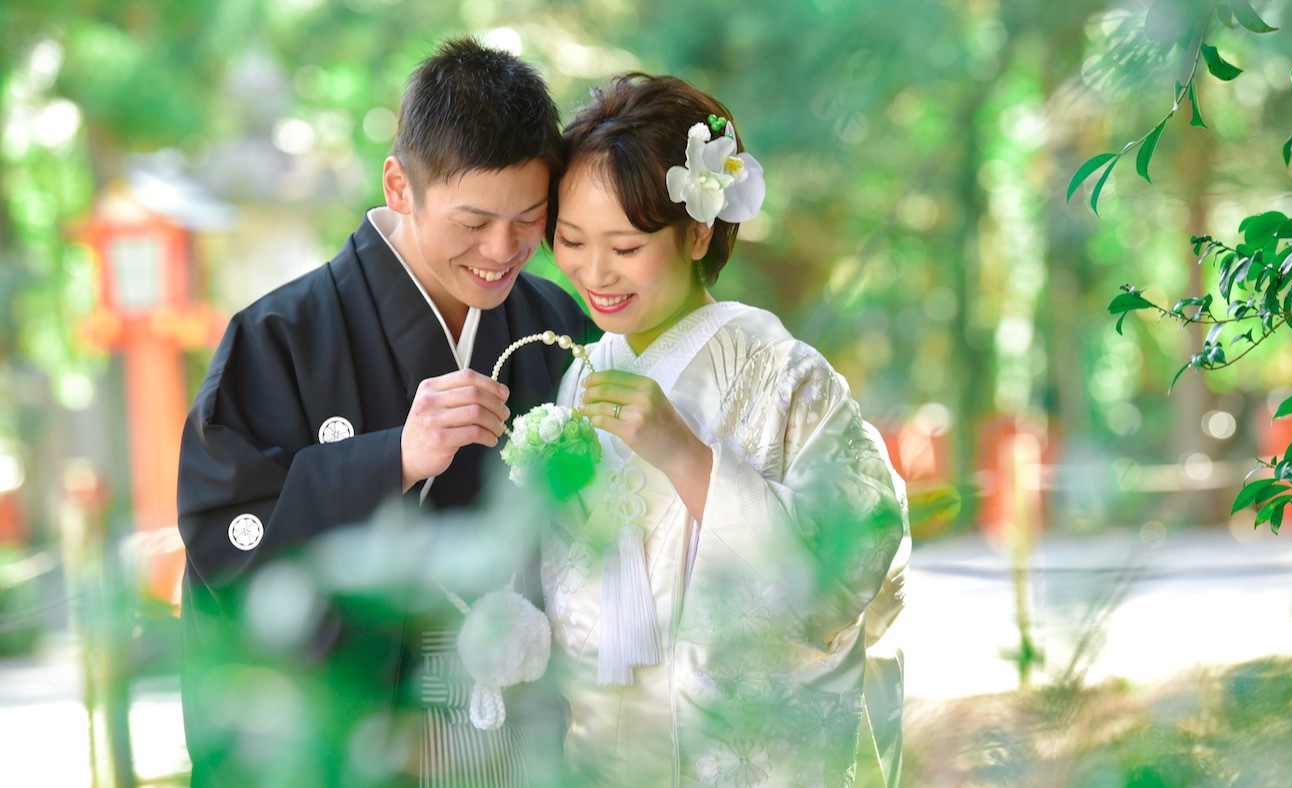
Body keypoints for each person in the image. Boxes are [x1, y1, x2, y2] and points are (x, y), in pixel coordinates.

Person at [177, 37, 589, 785]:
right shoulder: (279, 336)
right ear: (400, 185)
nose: (503, 250)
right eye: (473, 222)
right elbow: (228, 540)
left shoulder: (553, 326)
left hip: (518, 730)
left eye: (528, 218)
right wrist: (389, 457)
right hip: (358, 732)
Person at [541, 73, 911, 787]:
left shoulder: (787, 377)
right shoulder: (580, 375)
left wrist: (688, 460)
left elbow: (851, 566)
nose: (593, 272)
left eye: (624, 247)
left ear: (699, 230)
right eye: (571, 240)